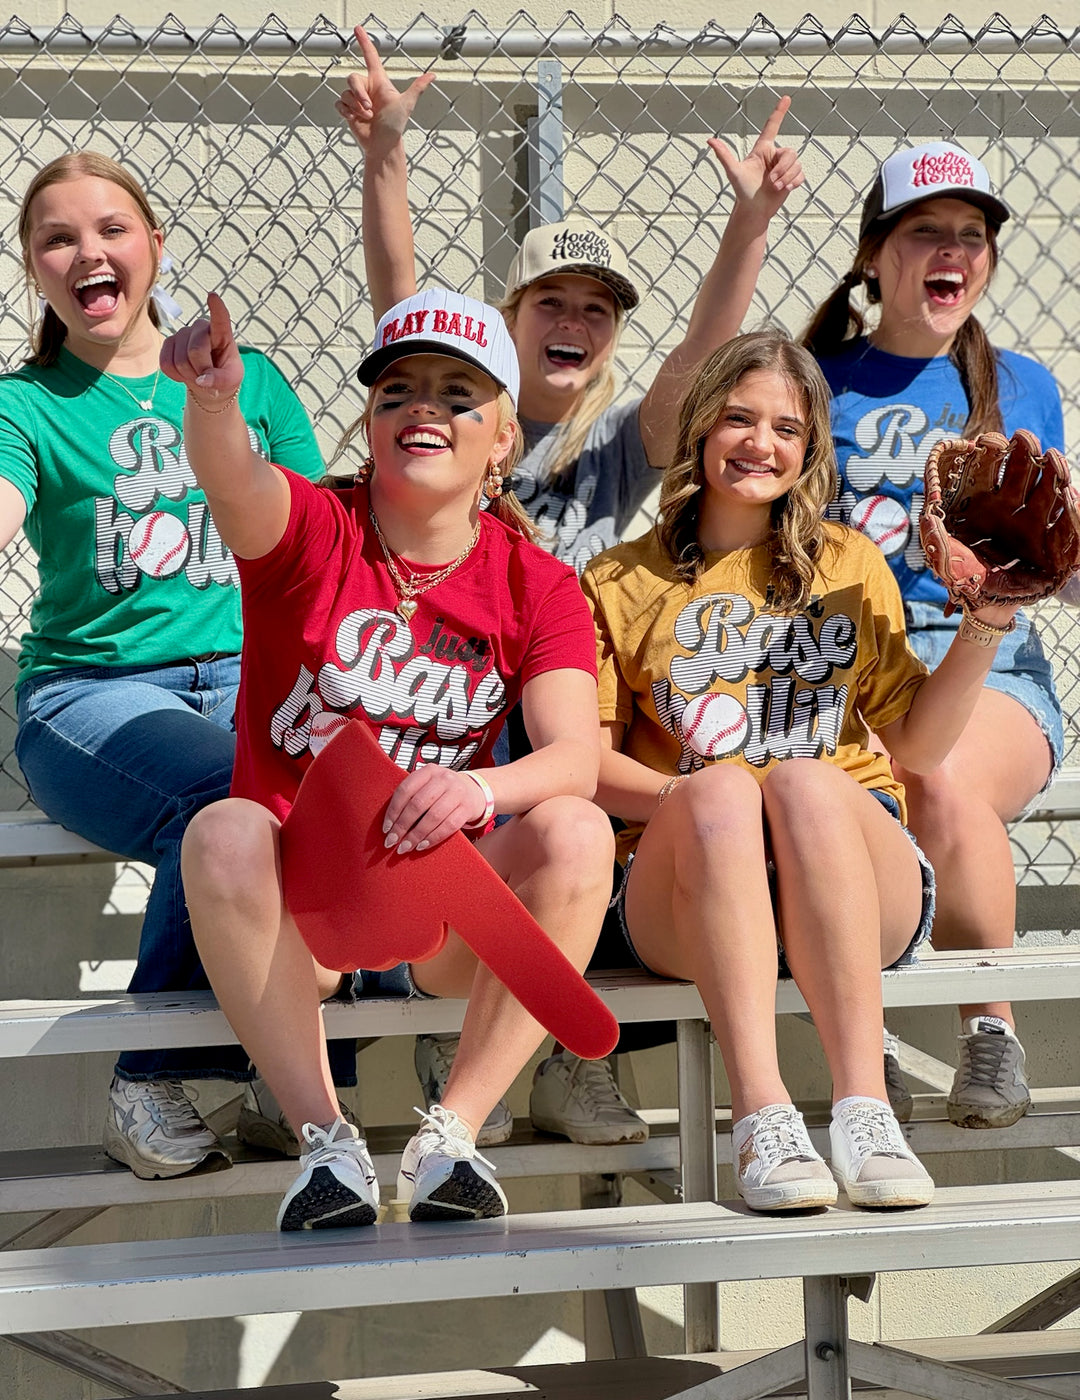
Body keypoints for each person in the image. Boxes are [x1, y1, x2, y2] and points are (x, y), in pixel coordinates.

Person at [339, 25, 805, 1146]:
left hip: (551, 707)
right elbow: (399, 296)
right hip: (446, 700)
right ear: (506, 322)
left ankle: (551, 1056)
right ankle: (462, 1042)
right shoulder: (450, 417)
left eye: (597, 309)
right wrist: (386, 154)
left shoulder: (615, 450)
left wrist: (749, 224)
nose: (574, 322)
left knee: (594, 795)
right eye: (551, 301)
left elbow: (698, 361)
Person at [164, 285, 615, 1229]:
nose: (423, 409)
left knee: (576, 831)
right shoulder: (314, 531)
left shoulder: (537, 584)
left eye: (458, 395)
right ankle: (326, 1147)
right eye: (397, 391)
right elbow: (234, 478)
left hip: (438, 914)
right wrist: (212, 403)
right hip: (303, 912)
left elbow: (575, 756)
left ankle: (452, 1139)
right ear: (370, 421)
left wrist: (477, 788)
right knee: (223, 830)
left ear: (503, 438)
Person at [582, 331, 1029, 1213]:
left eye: (786, 428)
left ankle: (865, 1112)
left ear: (811, 446)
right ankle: (763, 1117)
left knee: (803, 780)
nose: (760, 443)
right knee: (724, 790)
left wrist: (988, 620)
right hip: (690, 889)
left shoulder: (849, 563)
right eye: (738, 419)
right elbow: (588, 767)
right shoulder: (618, 579)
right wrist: (706, 800)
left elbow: (916, 749)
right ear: (700, 426)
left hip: (848, 876)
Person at [0, 150, 362, 1181]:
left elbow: (314, 549)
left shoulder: (253, 383)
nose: (88, 252)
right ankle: (150, 1077)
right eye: (58, 239)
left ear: (155, 247)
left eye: (111, 229)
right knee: (226, 796)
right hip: (92, 697)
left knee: (351, 785)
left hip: (252, 678)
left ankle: (286, 1074)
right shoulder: (26, 404)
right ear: (35, 270)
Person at [803, 142, 1065, 1128]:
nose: (953, 251)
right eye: (925, 232)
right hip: (847, 661)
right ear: (874, 256)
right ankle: (862, 1039)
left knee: (938, 771)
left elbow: (1056, 558)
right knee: (838, 790)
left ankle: (991, 1031)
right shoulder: (814, 381)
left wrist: (1052, 560)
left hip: (987, 653)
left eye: (972, 234)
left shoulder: (1022, 385)